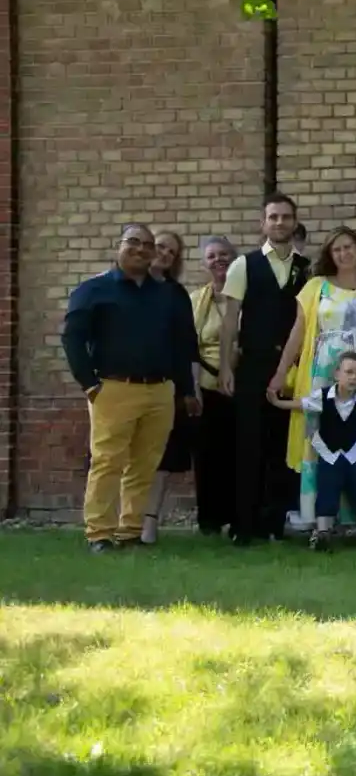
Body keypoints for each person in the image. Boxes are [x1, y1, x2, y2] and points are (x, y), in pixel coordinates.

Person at [63, 225, 199, 553]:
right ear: (119, 246)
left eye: (147, 245)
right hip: (113, 389)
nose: (140, 249)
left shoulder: (166, 294)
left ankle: (130, 531)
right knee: (108, 462)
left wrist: (185, 390)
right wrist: (90, 385)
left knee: (144, 464)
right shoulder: (94, 289)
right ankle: (99, 534)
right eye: (133, 242)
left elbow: (182, 344)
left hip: (160, 392)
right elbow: (73, 337)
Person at [271, 226, 356, 532]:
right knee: (321, 440)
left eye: (349, 247)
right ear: (331, 255)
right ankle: (320, 518)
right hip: (324, 371)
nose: (344, 253)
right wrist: (281, 372)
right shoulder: (317, 286)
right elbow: (298, 332)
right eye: (337, 249)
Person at [218, 192, 310, 545]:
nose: (280, 223)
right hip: (254, 364)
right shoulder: (245, 264)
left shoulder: (306, 268)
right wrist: (226, 367)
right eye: (273, 217)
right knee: (249, 444)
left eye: (286, 217)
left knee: (283, 444)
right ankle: (245, 525)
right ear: (263, 223)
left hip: (292, 366)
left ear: (294, 222)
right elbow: (230, 320)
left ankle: (274, 523)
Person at [270, 351, 356, 549]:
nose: (354, 378)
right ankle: (323, 532)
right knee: (327, 490)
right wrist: (278, 402)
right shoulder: (323, 396)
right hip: (329, 454)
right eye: (349, 372)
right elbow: (302, 404)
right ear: (337, 374)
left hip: (355, 453)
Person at [139, 230, 201, 545]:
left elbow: (187, 345)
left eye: (172, 252)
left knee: (162, 459)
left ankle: (149, 523)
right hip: (129, 384)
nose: (164, 254)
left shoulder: (177, 294)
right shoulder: (128, 285)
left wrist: (190, 391)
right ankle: (122, 521)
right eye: (161, 247)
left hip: (169, 387)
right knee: (128, 455)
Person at [190, 236, 237, 535]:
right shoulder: (195, 300)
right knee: (206, 456)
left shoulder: (246, 297)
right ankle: (209, 519)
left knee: (238, 454)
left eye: (224, 254)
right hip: (205, 386)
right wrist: (192, 389)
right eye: (212, 256)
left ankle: (237, 515)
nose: (218, 260)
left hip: (239, 385)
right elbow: (188, 347)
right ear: (204, 262)